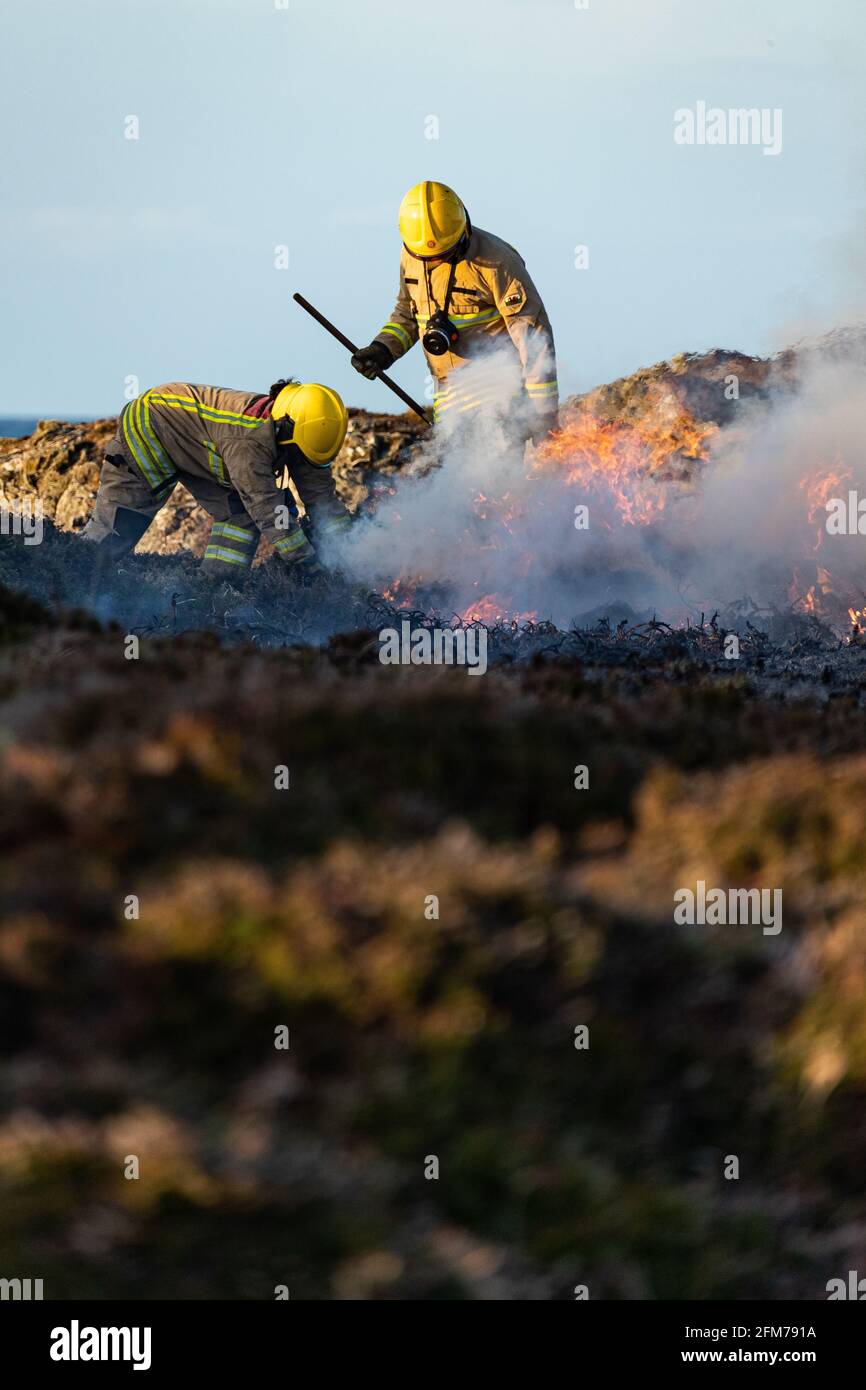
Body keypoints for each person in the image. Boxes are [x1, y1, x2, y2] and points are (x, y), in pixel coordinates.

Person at [351, 181, 558, 441]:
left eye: (443, 254)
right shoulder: (412, 252)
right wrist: (383, 349)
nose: (433, 262)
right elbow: (407, 314)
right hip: (449, 398)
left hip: (500, 396)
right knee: (458, 477)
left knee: (497, 477)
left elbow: (534, 339)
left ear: (462, 232)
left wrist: (543, 418)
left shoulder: (498, 262)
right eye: (426, 257)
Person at [83, 379, 350, 578]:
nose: (299, 460)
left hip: (200, 443)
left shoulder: (301, 429)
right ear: (283, 428)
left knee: (239, 516)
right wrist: (309, 564)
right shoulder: (248, 442)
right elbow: (268, 510)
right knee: (122, 522)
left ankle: (216, 588)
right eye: (296, 452)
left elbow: (322, 500)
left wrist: (350, 553)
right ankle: (72, 578)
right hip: (150, 425)